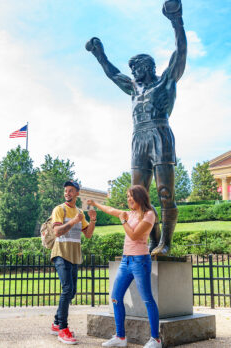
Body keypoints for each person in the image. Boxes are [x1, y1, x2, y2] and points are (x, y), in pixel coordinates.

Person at [85, 0, 187, 256]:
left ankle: (166, 243)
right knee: (138, 196)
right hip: (138, 137)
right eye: (132, 68)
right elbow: (112, 73)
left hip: (160, 133)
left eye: (137, 67)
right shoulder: (133, 88)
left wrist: (176, 20)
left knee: (165, 192)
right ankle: (150, 241)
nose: (133, 71)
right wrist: (99, 54)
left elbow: (180, 52)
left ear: (149, 67)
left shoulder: (165, 81)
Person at [87, 185, 161, 348]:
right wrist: (95, 204)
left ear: (140, 197)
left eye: (131, 196)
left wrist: (122, 220)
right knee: (115, 297)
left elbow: (134, 235)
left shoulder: (148, 215)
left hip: (140, 261)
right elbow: (110, 209)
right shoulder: (129, 214)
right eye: (127, 196)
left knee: (147, 299)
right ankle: (120, 337)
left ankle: (156, 339)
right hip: (126, 261)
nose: (128, 199)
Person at [50, 181, 97, 345]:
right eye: (65, 191)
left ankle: (56, 322)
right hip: (61, 254)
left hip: (74, 255)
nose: (67, 193)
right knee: (67, 288)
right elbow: (57, 231)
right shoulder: (59, 209)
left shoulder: (79, 212)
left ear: (77, 193)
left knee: (72, 291)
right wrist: (73, 221)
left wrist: (92, 221)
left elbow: (88, 235)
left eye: (71, 191)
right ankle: (63, 329)